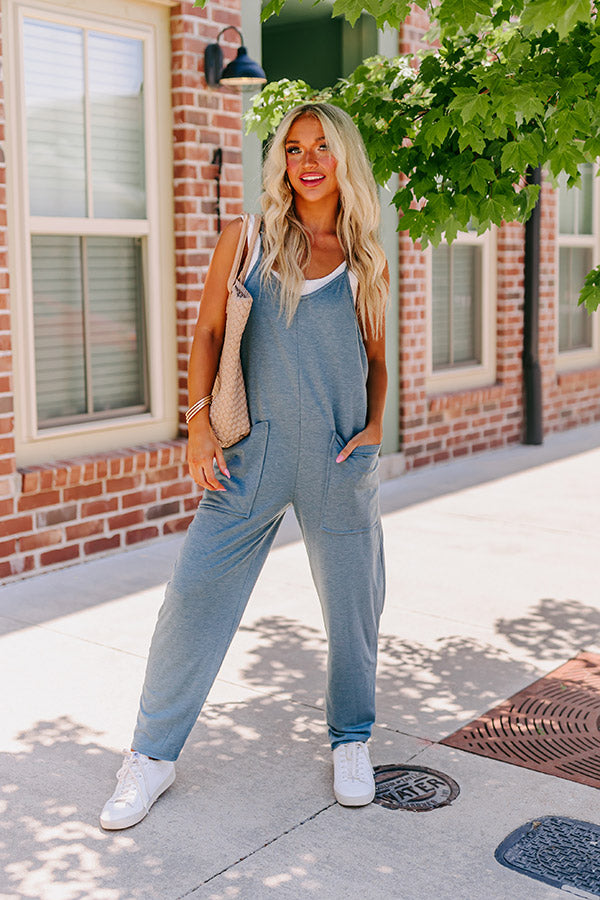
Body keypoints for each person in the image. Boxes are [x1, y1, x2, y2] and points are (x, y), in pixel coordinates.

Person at [100, 102, 389, 830]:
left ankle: (352, 739)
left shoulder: (365, 258)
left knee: (353, 614)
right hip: (249, 457)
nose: (308, 160)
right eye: (294, 149)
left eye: (322, 147)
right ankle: (150, 756)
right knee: (192, 600)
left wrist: (376, 427)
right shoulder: (248, 238)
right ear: (281, 163)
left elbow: (378, 360)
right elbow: (204, 334)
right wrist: (197, 428)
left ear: (343, 158)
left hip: (336, 458)